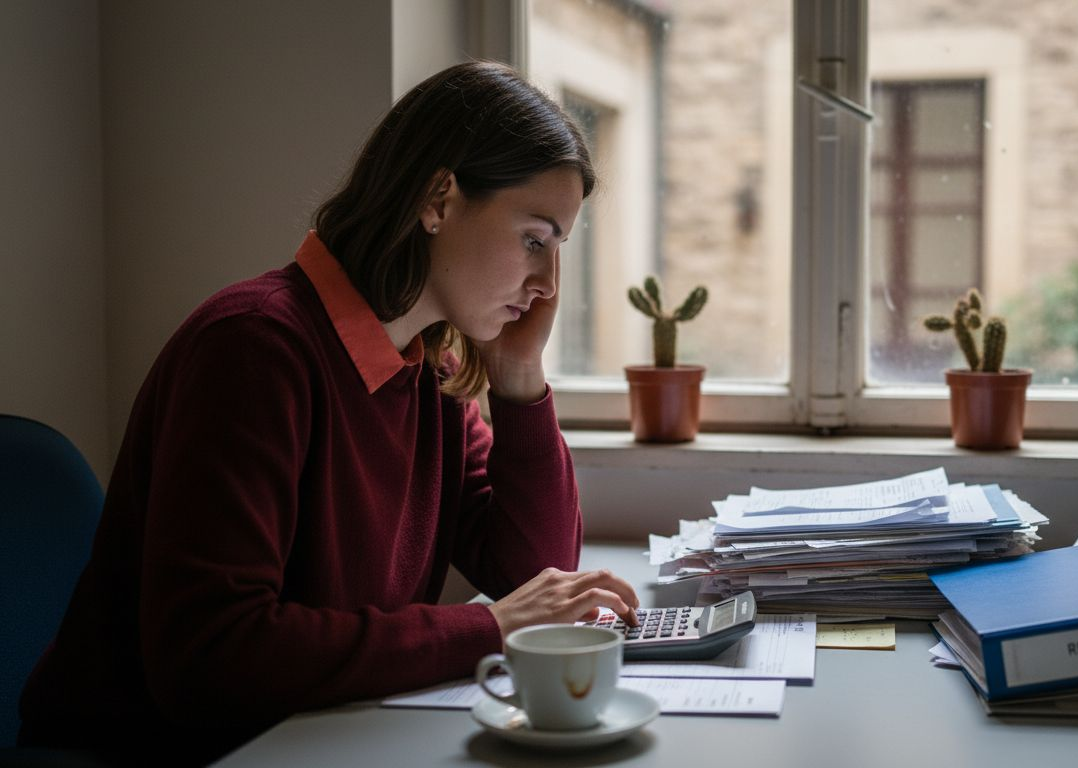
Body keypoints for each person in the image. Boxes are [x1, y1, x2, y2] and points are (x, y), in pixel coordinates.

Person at [17, 61, 641, 766]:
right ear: (438, 199)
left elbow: (537, 575)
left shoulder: (424, 369)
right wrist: (486, 629)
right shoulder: (254, 348)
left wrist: (520, 379)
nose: (549, 284)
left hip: (312, 740)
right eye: (535, 239)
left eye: (558, 249)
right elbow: (213, 659)